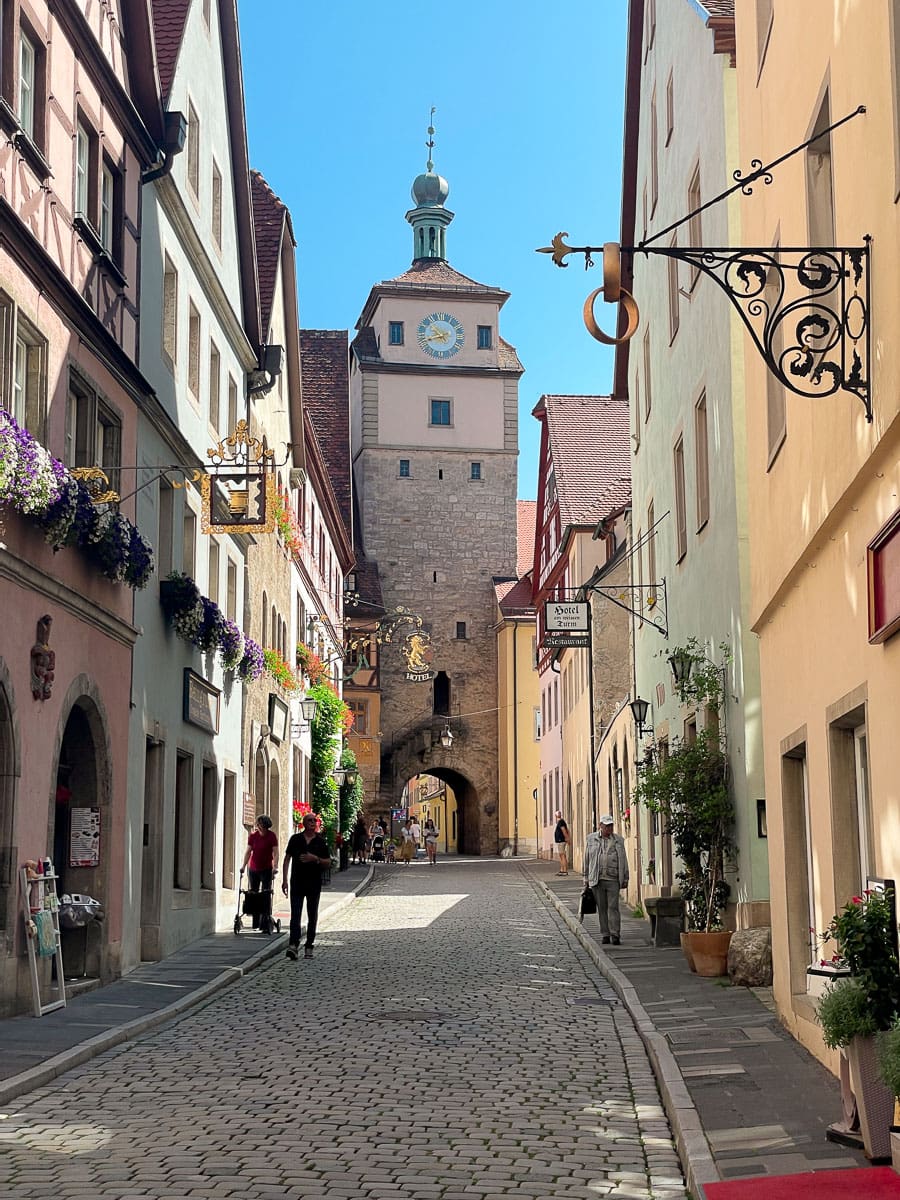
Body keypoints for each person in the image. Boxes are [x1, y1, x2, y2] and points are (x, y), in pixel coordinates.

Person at [281, 813, 331, 959]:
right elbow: (287, 859)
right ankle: (293, 945)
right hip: (296, 881)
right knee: (295, 915)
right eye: (310, 820)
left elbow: (328, 862)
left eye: (314, 821)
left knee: (312, 915)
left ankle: (309, 945)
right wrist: (284, 880)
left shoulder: (320, 842)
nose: (313, 822)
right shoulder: (295, 839)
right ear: (303, 823)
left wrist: (315, 859)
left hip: (314, 883)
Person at [583, 814, 630, 945]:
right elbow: (586, 859)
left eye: (611, 826)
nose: (609, 828)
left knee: (613, 907)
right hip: (597, 879)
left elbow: (624, 860)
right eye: (607, 826)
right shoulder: (591, 839)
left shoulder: (618, 840)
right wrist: (585, 877)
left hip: (613, 878)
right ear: (600, 826)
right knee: (602, 908)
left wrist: (626, 877)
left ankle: (615, 934)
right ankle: (605, 934)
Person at [241, 815, 278, 929]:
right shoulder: (253, 836)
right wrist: (243, 866)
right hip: (254, 869)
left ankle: (265, 921)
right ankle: (255, 922)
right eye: (258, 825)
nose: (259, 827)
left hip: (266, 869)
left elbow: (275, 853)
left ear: (266, 826)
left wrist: (275, 867)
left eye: (261, 825)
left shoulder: (271, 836)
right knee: (254, 894)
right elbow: (248, 852)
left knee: (266, 894)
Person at [553, 810, 571, 876]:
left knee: (562, 855)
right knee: (561, 855)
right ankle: (562, 870)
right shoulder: (560, 822)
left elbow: (564, 830)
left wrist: (567, 838)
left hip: (561, 841)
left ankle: (564, 870)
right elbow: (567, 830)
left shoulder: (561, 822)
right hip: (560, 841)